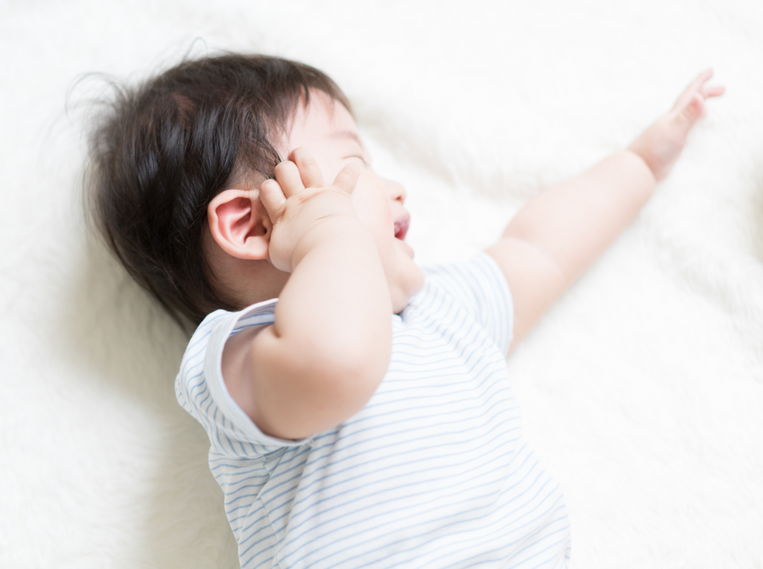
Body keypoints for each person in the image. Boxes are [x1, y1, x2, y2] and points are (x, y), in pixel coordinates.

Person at [85, 54, 724, 568]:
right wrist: (330, 235)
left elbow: (539, 250)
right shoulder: (244, 355)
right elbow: (338, 358)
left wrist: (640, 162)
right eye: (356, 165)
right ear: (253, 224)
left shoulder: (438, 312)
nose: (395, 189)